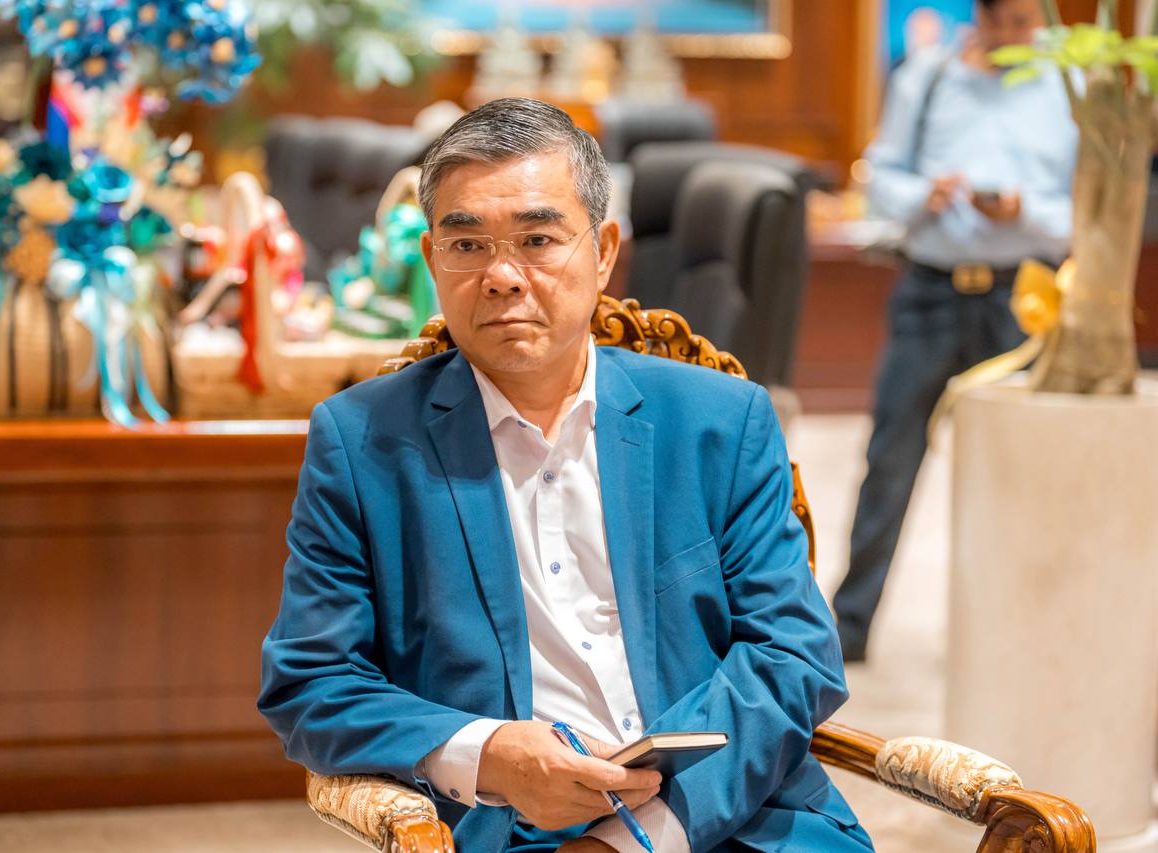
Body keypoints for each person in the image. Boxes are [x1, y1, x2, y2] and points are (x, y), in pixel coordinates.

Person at [259, 98, 872, 853]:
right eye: (467, 244)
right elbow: (312, 681)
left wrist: (629, 840)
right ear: (430, 259)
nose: (502, 276)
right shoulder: (362, 442)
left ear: (604, 251)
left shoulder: (719, 420)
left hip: (738, 816)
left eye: (538, 240)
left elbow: (794, 653)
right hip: (517, 832)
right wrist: (489, 755)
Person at [832, 0, 1077, 662]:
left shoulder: (1066, 85)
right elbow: (881, 179)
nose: (1019, 36)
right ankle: (849, 626)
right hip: (930, 291)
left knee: (1021, 467)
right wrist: (925, 196)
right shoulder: (927, 76)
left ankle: (1018, 627)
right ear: (981, 15)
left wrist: (1026, 209)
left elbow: (1086, 209)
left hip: (1024, 299)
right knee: (890, 459)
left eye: (1030, 22)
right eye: (1007, 23)